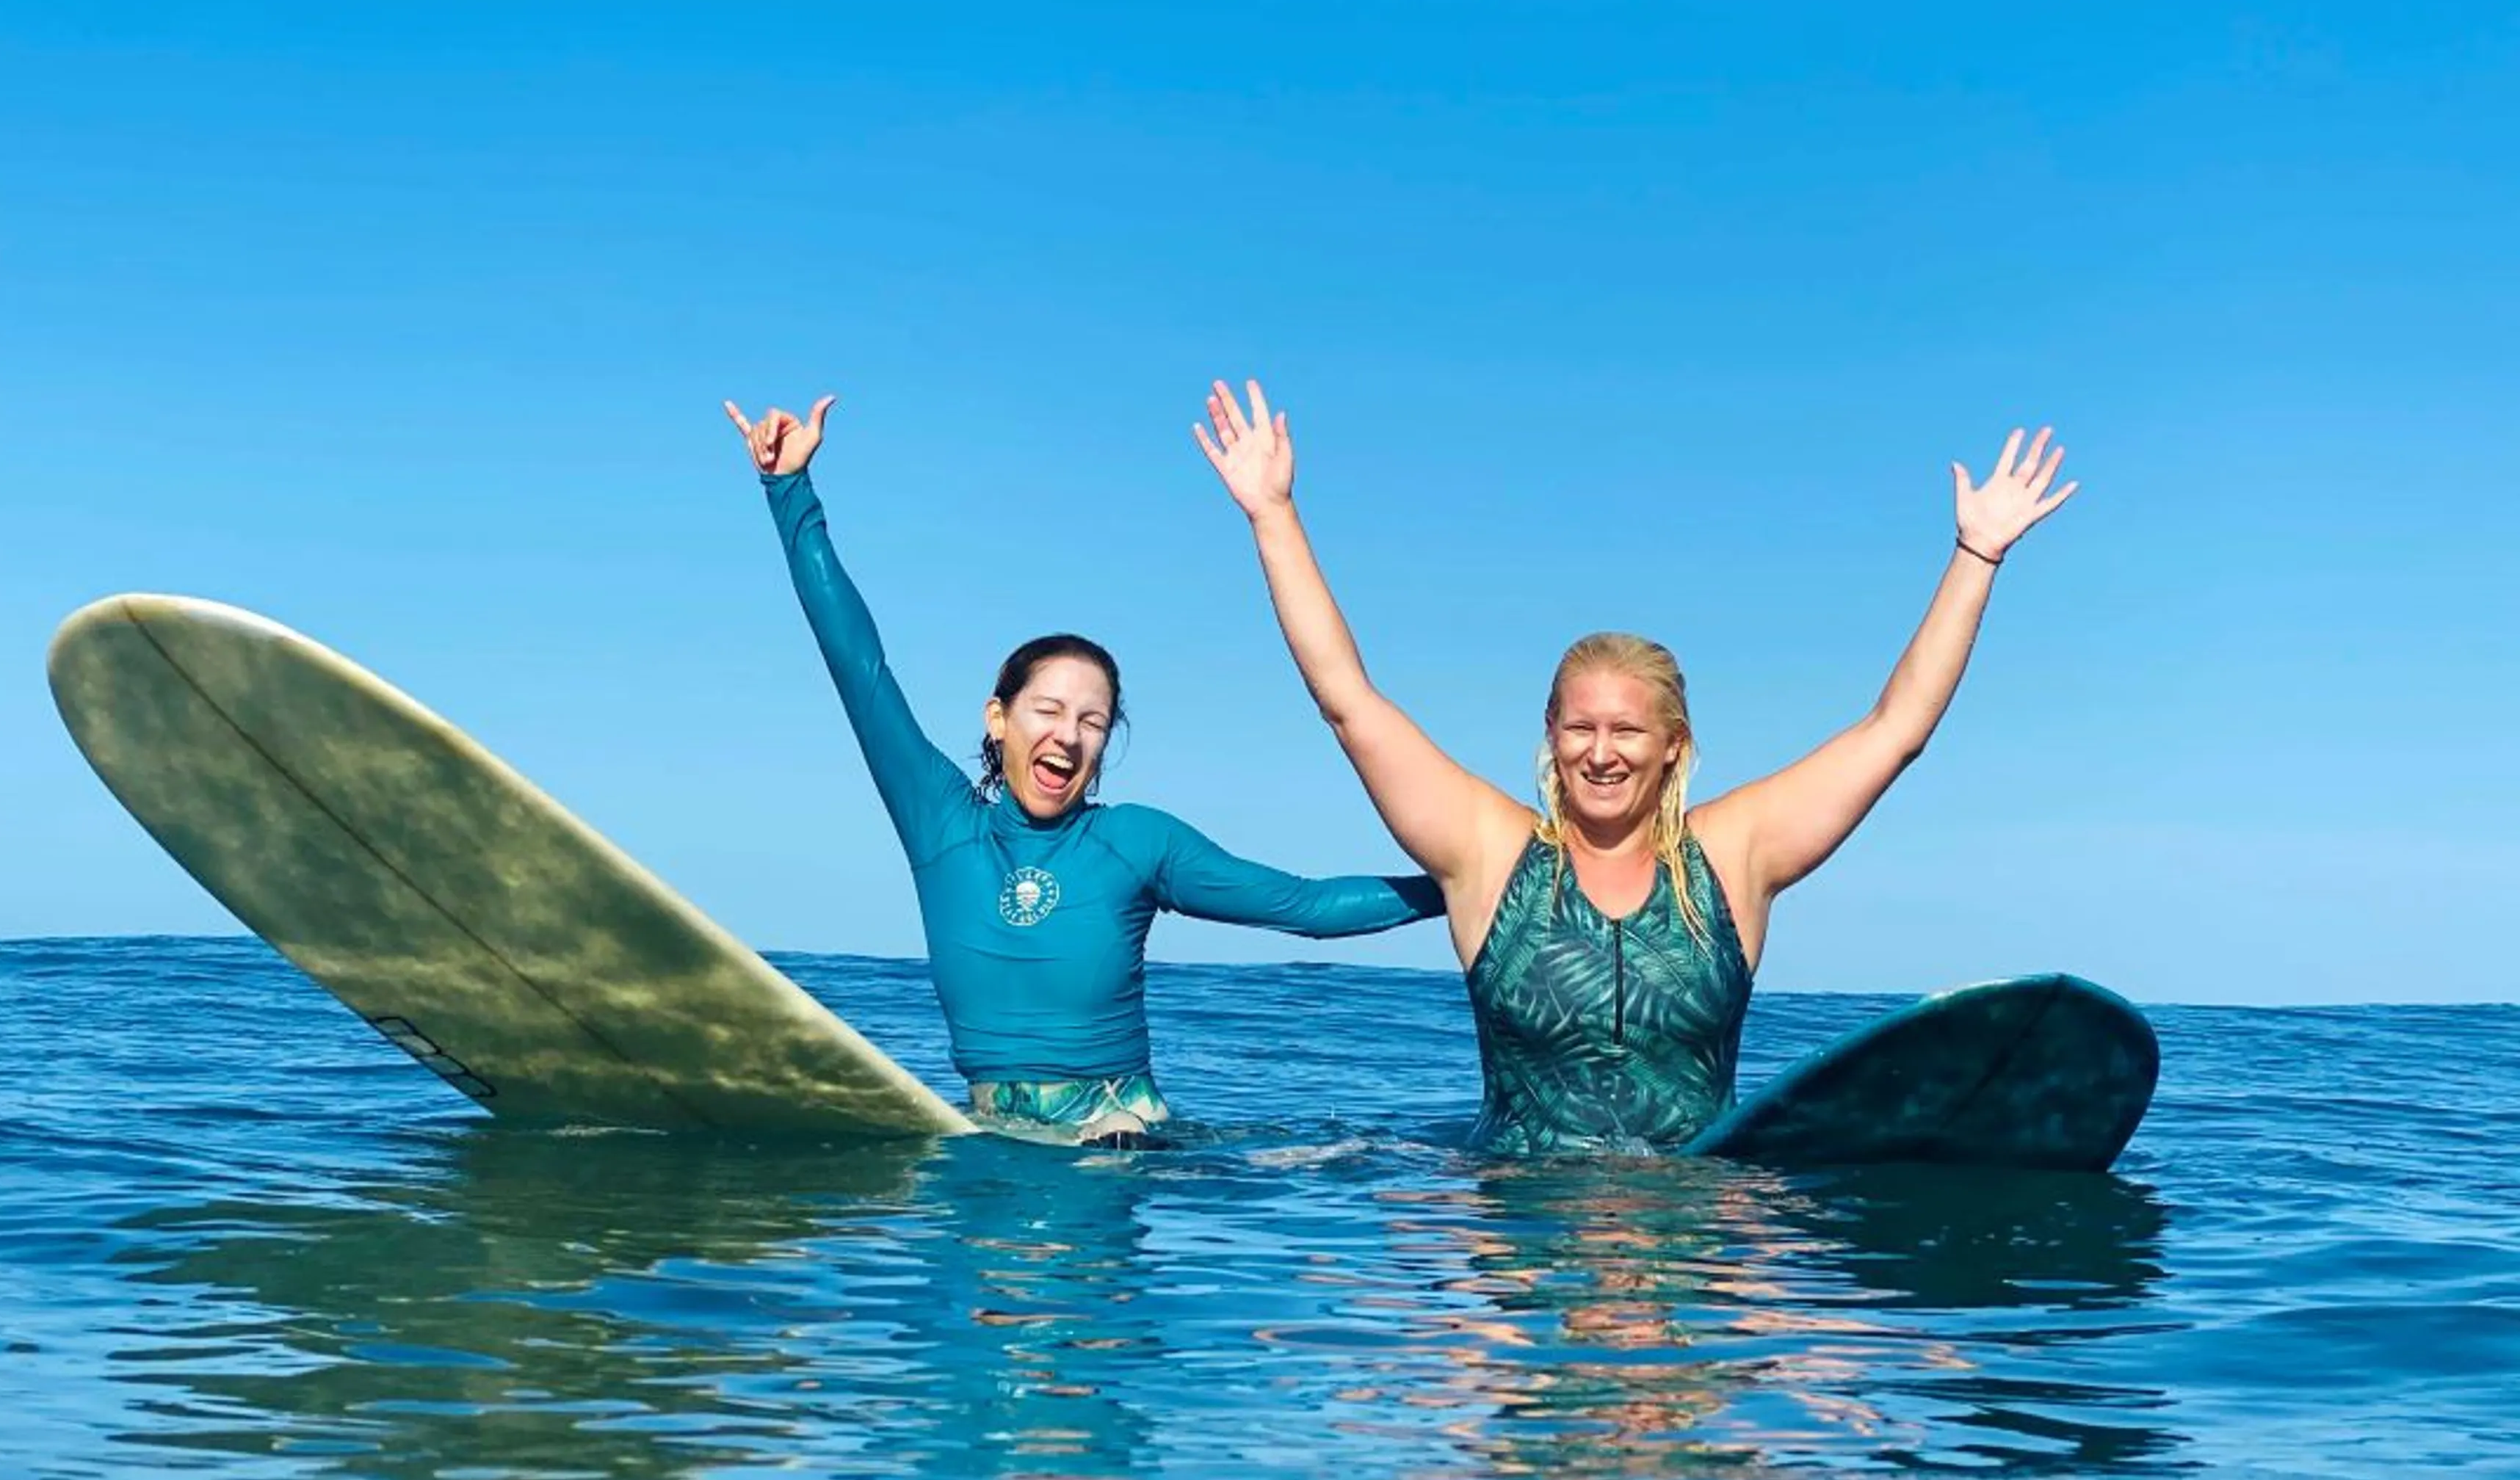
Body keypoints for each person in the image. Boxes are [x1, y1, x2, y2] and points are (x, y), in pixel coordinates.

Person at [1194, 378, 2076, 1155]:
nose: (1602, 752)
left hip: (1693, 1227)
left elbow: (1894, 731)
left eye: (1627, 731)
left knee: (1832, 1346)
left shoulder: (1735, 857)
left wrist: (1977, 556)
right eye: (1580, 728)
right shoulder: (1490, 856)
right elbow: (1350, 702)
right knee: (1457, 1345)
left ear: (1673, 747)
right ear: (1551, 736)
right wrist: (1274, 516)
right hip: (1519, 1229)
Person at [727, 393, 1444, 1145]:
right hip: (991, 1136)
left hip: (1120, 1136)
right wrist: (789, 490)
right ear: (998, 718)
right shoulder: (938, 819)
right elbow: (856, 662)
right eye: (1048, 710)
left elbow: (1303, 906)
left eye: (1092, 721)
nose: (1068, 736)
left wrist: (1465, 886)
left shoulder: (1137, 843)